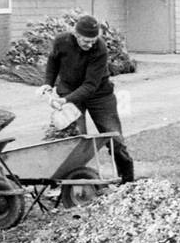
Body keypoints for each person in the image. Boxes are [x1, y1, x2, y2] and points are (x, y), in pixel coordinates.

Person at [40, 14, 135, 183]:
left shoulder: (100, 48)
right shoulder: (62, 41)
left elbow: (90, 86)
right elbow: (53, 61)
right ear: (75, 35)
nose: (90, 44)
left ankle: (128, 181)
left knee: (115, 139)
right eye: (85, 41)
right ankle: (69, 183)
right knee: (75, 141)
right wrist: (48, 83)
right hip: (69, 91)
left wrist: (64, 100)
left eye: (93, 40)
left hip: (100, 95)